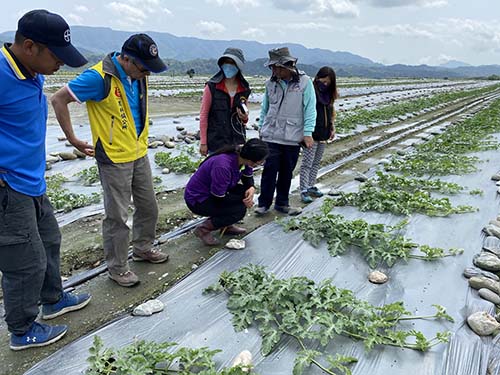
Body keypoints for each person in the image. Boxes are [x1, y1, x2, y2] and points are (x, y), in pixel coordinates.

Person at [0, 9, 91, 351]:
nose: (61, 64)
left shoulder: (29, 70)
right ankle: (22, 330)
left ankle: (52, 299)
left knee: (50, 240)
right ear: (29, 46)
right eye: (56, 56)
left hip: (32, 180)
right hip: (9, 187)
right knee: (24, 261)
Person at [51, 34, 169, 288]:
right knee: (117, 216)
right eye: (144, 68)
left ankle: (143, 248)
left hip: (138, 151)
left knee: (149, 207)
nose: (147, 74)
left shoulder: (138, 75)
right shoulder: (98, 77)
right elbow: (58, 99)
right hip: (114, 157)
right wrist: (72, 139)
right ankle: (117, 268)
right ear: (126, 59)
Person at [254, 47, 317, 216]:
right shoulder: (271, 83)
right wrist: (261, 126)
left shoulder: (304, 82)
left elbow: (310, 109)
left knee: (286, 172)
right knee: (268, 171)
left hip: (292, 137)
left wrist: (308, 132)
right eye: (272, 67)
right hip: (271, 136)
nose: (273, 70)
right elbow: (265, 107)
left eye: (276, 67)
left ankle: (282, 203)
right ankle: (264, 204)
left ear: (286, 66)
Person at [185, 138, 269, 245]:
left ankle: (226, 225)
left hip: (215, 192)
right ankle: (203, 229)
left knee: (243, 193)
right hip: (198, 200)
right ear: (251, 159)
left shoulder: (243, 158)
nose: (261, 163)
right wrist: (244, 201)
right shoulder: (223, 166)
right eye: (260, 162)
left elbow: (247, 177)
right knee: (239, 210)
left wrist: (251, 188)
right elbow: (218, 197)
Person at [199, 47, 251, 156]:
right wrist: (203, 142)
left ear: (238, 66)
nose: (228, 66)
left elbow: (244, 120)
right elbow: (204, 115)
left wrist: (244, 117)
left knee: (234, 171)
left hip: (237, 141)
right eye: (226, 62)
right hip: (216, 142)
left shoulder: (244, 89)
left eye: (232, 63)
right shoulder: (212, 87)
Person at [299, 66, 339, 203]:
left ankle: (311, 186)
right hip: (312, 133)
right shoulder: (311, 91)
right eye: (324, 80)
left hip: (324, 133)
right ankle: (303, 190)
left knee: (316, 163)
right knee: (307, 163)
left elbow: (330, 113)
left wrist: (332, 128)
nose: (325, 84)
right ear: (318, 77)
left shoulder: (328, 95)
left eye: (328, 82)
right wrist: (306, 132)